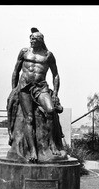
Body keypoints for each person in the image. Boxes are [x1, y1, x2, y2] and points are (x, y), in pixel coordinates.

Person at [9, 27, 61, 163]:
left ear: (40, 40)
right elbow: (16, 71)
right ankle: (33, 150)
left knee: (50, 110)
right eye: (30, 38)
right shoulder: (24, 52)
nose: (31, 40)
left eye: (34, 39)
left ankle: (52, 143)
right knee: (29, 118)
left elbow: (55, 75)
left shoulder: (48, 55)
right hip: (25, 87)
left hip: (40, 87)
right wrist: (14, 89)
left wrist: (55, 93)